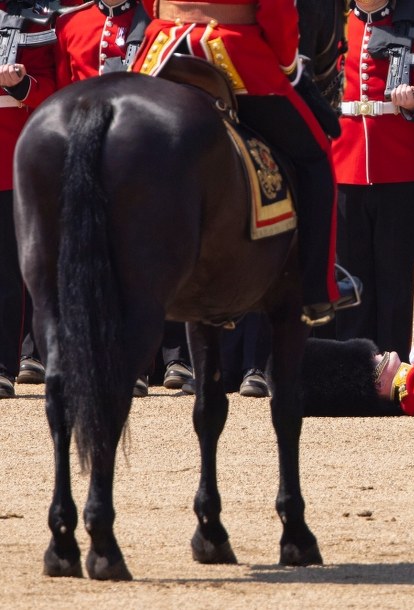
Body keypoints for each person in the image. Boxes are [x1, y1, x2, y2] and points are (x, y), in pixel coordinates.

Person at [132, 0, 348, 327]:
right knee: (315, 154)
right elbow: (276, 11)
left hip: (162, 49)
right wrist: (288, 66)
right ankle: (317, 290)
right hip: (230, 51)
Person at [54, 0, 196, 397]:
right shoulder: (74, 22)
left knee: (159, 258)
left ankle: (175, 359)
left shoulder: (157, 21)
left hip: (152, 155)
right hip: (93, 158)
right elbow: (65, 95)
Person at [332, 0, 414, 361]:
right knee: (351, 273)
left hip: (398, 168)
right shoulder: (334, 30)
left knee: (395, 274)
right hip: (345, 165)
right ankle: (354, 363)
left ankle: (392, 364)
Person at [0, 0, 56, 398]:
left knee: (7, 269)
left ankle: (4, 364)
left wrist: (21, 86)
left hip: (12, 153)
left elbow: (58, 86)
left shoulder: (40, 14)